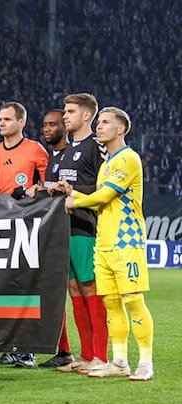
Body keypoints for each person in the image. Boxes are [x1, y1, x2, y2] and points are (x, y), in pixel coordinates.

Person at [62, 107, 153, 381]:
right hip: (103, 242)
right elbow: (100, 197)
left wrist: (76, 200)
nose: (98, 127)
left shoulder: (128, 159)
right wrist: (73, 192)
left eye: (104, 123)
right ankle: (120, 361)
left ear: (120, 129)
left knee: (134, 301)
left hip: (127, 241)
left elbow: (104, 197)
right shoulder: (105, 164)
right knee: (111, 304)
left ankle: (146, 363)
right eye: (98, 122)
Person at [49, 93, 109, 375]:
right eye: (65, 110)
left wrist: (78, 198)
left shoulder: (96, 148)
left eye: (70, 111)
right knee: (74, 290)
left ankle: (100, 356)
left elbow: (104, 190)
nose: (65, 116)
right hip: (64, 228)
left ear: (87, 115)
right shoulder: (64, 151)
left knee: (89, 289)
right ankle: (85, 356)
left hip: (86, 227)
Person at [0, 102, 49, 368]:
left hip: (27, 226)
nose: (1, 123)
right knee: (3, 288)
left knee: (25, 287)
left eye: (7, 119)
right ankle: (10, 347)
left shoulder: (35, 150)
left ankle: (28, 349)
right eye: (0, 119)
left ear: (21, 122)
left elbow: (49, 185)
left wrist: (35, 189)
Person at [33, 110, 76, 368]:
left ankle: (92, 354)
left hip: (76, 230)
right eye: (45, 124)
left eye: (53, 124)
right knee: (54, 291)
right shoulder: (51, 158)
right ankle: (64, 350)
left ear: (65, 127)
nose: (47, 129)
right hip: (54, 230)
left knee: (77, 291)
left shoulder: (73, 155)